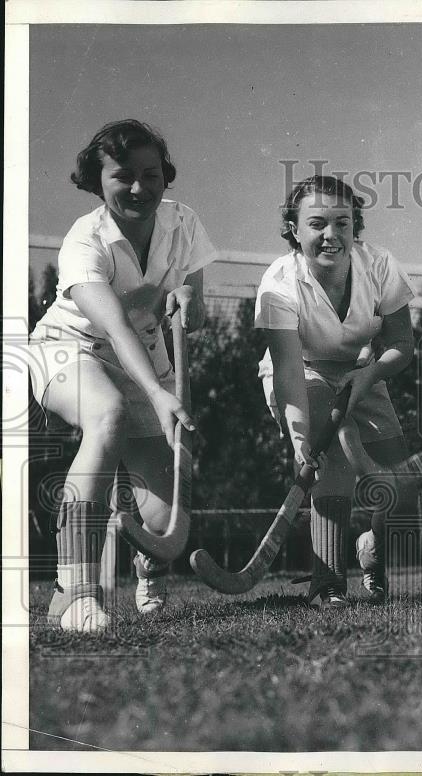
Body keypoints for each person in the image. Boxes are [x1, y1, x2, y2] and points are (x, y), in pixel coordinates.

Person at [30, 119, 217, 632]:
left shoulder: (184, 223)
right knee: (107, 416)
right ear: (98, 180)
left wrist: (186, 300)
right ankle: (76, 590)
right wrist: (158, 393)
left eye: (151, 173)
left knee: (161, 517)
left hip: (144, 358)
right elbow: (112, 326)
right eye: (122, 176)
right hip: (70, 348)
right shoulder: (84, 241)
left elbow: (193, 314)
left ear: (165, 174)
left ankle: (148, 575)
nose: (140, 187)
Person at [256, 175, 415, 606]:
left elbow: (402, 346)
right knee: (335, 464)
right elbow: (289, 368)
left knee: (400, 485)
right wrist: (299, 437)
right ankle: (326, 584)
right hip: (300, 372)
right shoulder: (279, 282)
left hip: (361, 370)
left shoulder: (379, 265)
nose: (332, 235)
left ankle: (372, 550)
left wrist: (366, 377)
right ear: (294, 229)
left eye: (342, 223)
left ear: (355, 225)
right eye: (317, 224)